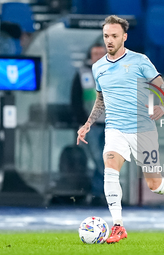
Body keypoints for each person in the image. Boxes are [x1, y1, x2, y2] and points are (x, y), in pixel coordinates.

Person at [77, 15, 164, 244]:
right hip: (115, 129)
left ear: (124, 37)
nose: (109, 40)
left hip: (143, 130)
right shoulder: (98, 67)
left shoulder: (140, 61)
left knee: (155, 184)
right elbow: (101, 100)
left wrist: (162, 105)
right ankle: (118, 226)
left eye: (114, 36)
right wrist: (88, 123)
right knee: (110, 167)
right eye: (106, 36)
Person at [71, 43, 107, 206]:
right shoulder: (83, 74)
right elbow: (76, 100)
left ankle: (97, 194)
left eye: (101, 53)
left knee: (107, 159)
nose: (98, 56)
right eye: (95, 53)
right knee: (99, 159)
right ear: (90, 55)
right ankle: (109, 191)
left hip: (111, 123)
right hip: (91, 125)